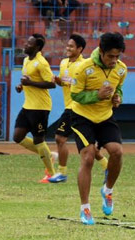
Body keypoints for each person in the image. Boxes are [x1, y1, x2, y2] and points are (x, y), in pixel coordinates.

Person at [71, 32, 126, 225]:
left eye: (117, 56)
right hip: (82, 117)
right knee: (87, 157)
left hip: (105, 116)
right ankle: (85, 208)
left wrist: (117, 97)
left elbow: (118, 89)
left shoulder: (121, 69)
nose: (114, 60)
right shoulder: (83, 67)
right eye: (111, 56)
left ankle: (107, 190)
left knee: (117, 152)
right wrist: (97, 95)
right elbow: (75, 96)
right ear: (101, 51)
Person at [48, 34, 108, 183]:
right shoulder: (63, 63)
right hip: (69, 106)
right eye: (67, 45)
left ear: (80, 49)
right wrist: (58, 80)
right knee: (87, 145)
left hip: (76, 108)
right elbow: (64, 83)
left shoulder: (85, 65)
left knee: (60, 138)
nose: (67, 48)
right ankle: (107, 166)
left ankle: (62, 173)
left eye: (71, 46)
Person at [13, 33, 57, 183]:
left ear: (37, 47)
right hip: (28, 105)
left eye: (29, 43)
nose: (25, 45)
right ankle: (48, 155)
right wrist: (22, 86)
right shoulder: (26, 60)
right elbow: (28, 80)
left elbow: (51, 84)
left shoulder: (42, 63)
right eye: (26, 42)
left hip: (40, 107)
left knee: (39, 140)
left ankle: (51, 174)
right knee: (17, 137)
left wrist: (30, 84)